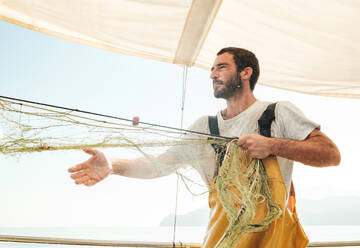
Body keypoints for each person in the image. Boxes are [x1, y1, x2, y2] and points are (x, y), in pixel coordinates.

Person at [68, 47, 340, 247]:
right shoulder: (203, 127)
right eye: (212, 69)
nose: (212, 74)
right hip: (220, 241)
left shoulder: (277, 112)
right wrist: (112, 166)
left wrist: (272, 145)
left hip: (271, 241)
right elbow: (160, 165)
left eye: (221, 67)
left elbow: (330, 154)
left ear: (246, 73)